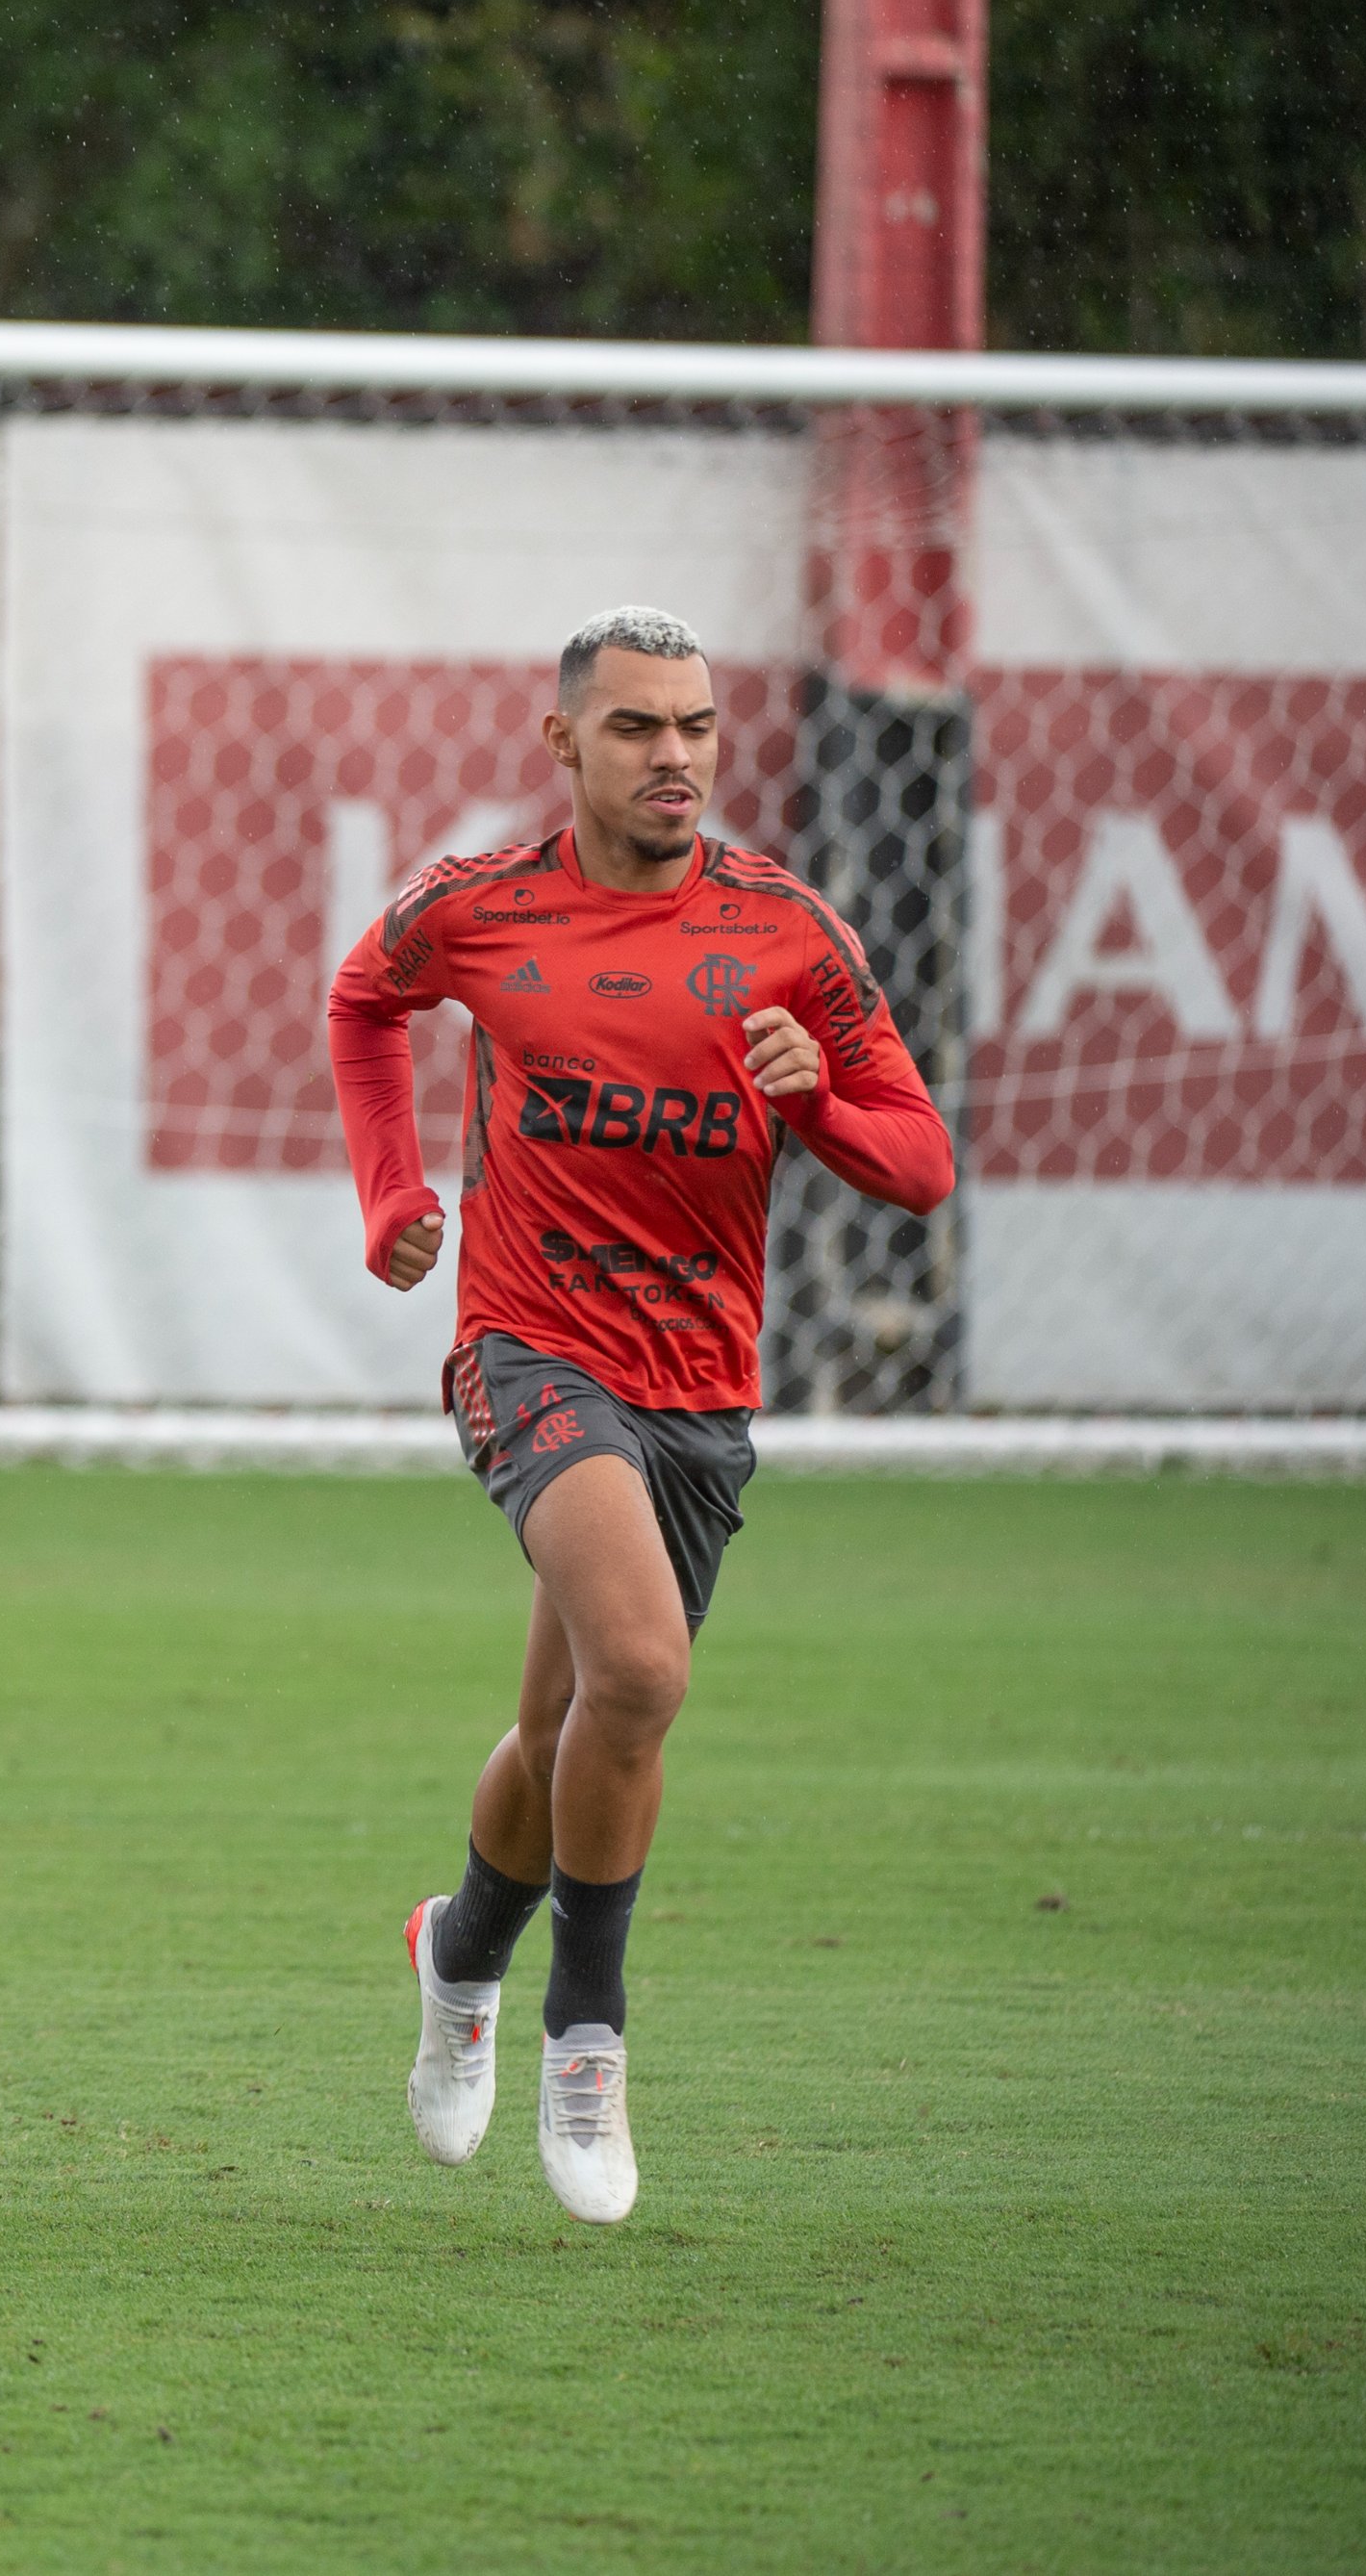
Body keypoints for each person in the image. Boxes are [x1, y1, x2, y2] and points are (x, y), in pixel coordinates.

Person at [326, 605, 952, 2226]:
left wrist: (814, 1089)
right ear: (563, 744)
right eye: (634, 728)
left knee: (569, 1732)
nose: (671, 756)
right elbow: (360, 1001)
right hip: (526, 1351)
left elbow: (920, 1161)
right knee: (646, 1674)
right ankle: (584, 2034)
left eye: (694, 728)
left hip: (700, 1387)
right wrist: (394, 1188)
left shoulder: (788, 931)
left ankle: (456, 1952)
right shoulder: (476, 910)